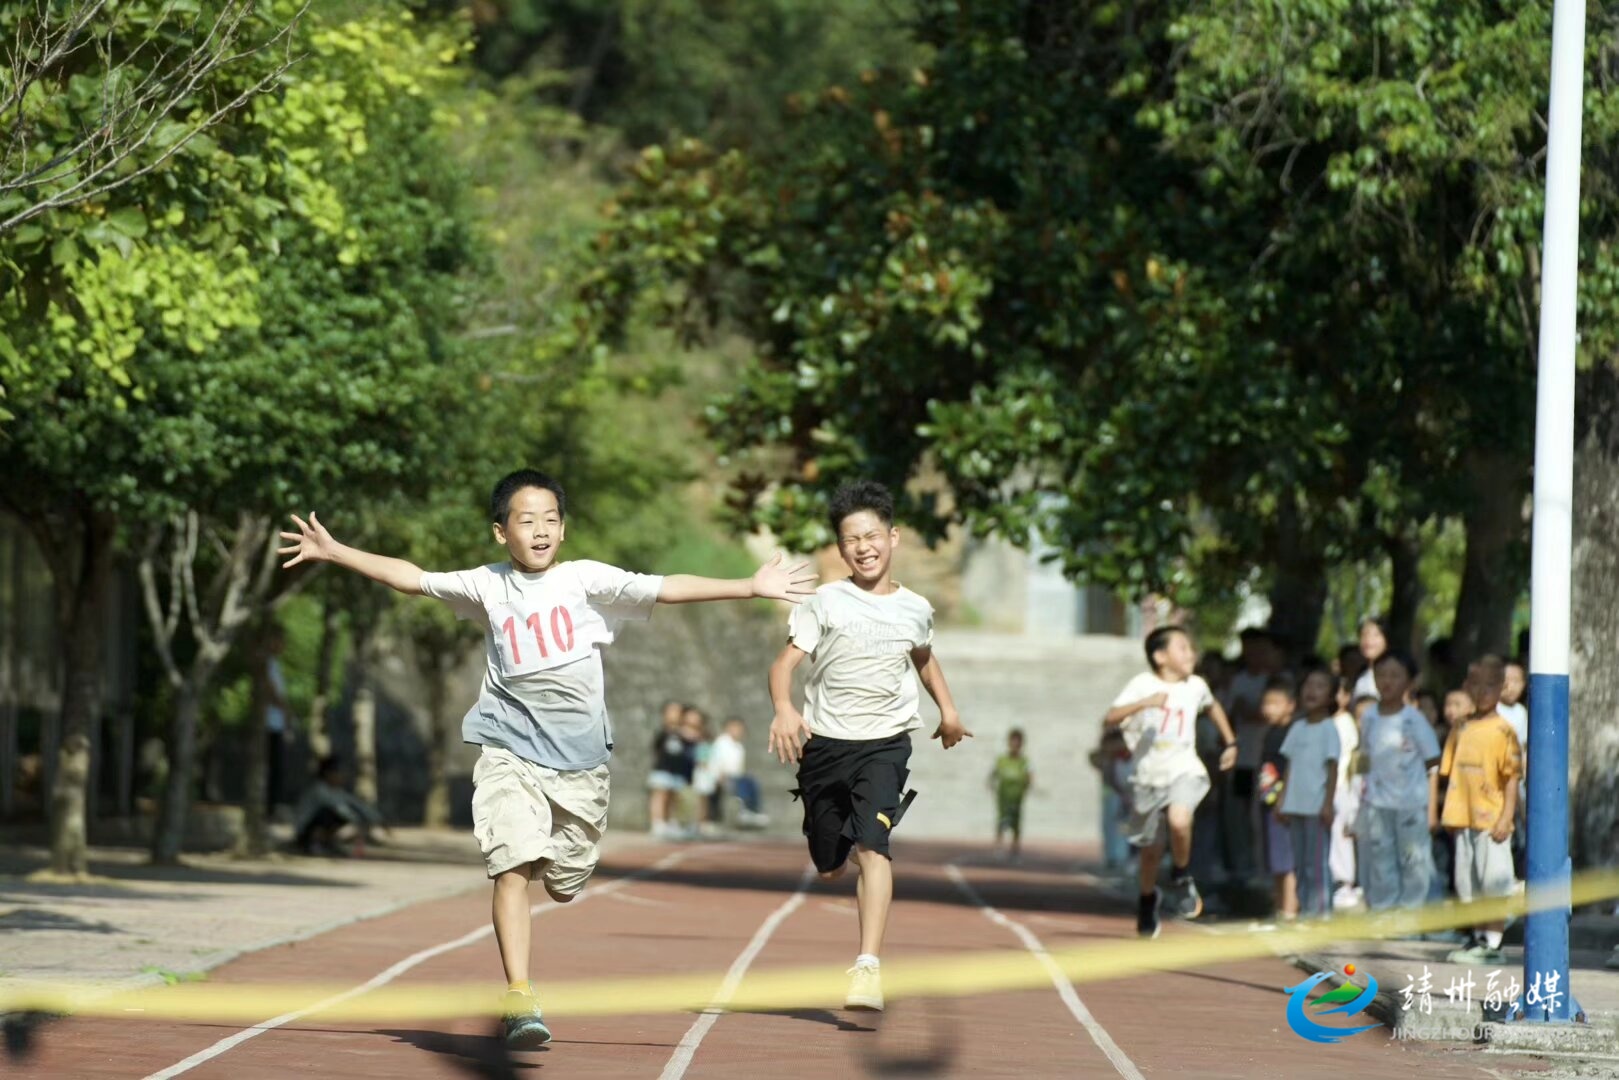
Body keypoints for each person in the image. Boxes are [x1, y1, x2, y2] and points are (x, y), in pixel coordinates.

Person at [276, 469, 815, 1048]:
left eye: (550, 520)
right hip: (508, 745)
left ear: (564, 528)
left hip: (580, 762)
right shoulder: (487, 584)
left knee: (562, 882)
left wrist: (749, 585)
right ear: (499, 532)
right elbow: (412, 579)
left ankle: (557, 880)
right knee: (511, 862)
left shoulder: (585, 579)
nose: (539, 531)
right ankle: (519, 993)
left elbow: (665, 586)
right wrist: (335, 551)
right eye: (526, 521)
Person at [766, 480, 970, 1013]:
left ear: (893, 537)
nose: (863, 546)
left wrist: (948, 710)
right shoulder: (824, 601)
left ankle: (867, 967)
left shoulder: (915, 608)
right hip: (827, 746)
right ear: (840, 549)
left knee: (873, 847)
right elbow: (783, 665)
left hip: (886, 743)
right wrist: (786, 710)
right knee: (830, 863)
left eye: (872, 535)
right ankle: (822, 832)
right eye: (851, 539)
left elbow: (924, 658)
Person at [1104, 625, 1238, 938]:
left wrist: (1230, 742)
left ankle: (1180, 874)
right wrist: (1145, 703)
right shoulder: (1142, 684)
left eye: (1191, 648)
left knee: (1180, 819)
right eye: (1182, 648)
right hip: (1149, 776)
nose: (1190, 653)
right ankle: (1148, 898)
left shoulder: (1196, 685)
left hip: (1184, 768)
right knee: (1150, 851)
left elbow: (1213, 705)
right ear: (1160, 656)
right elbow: (1110, 717)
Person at [1441, 657, 1522, 966]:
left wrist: (1506, 817)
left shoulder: (1505, 731)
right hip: (1463, 818)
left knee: (1494, 881)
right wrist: (1449, 813)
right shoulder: (1461, 726)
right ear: (1466, 686)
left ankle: (1494, 942)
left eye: (1491, 684)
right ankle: (1477, 937)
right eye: (1476, 683)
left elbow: (1512, 777)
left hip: (1491, 821)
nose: (1483, 690)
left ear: (1501, 687)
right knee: (1467, 881)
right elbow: (1451, 774)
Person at [1353, 651, 1440, 912]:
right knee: (1381, 859)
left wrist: (1432, 808)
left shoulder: (1414, 720)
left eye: (1395, 675)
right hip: (1377, 803)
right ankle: (1384, 912)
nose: (1387, 681)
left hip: (1411, 804)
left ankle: (1411, 917)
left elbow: (1433, 763)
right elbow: (1364, 756)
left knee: (1414, 860)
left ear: (1409, 682)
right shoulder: (1369, 717)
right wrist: (1360, 796)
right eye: (1381, 675)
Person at [1279, 669, 1340, 920]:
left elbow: (1332, 767)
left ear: (1331, 696)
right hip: (1295, 805)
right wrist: (1282, 799)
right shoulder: (1297, 728)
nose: (1312, 690)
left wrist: (1327, 803)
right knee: (1300, 863)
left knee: (1316, 863)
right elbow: (1289, 766)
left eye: (1320, 686)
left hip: (1316, 807)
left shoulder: (1329, 728)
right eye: (1308, 684)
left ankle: (1321, 913)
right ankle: (1306, 910)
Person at [1257, 677, 1297, 923]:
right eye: (1266, 703)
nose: (1268, 708)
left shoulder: (1290, 733)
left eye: (1275, 703)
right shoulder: (1271, 732)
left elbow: (1292, 768)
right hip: (1269, 802)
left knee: (1287, 860)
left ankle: (1290, 911)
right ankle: (1279, 908)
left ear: (1290, 705)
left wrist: (1283, 799)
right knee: (1275, 859)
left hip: (1284, 803)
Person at [293, 756, 384, 855]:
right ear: (328, 774)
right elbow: (340, 809)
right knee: (328, 814)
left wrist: (378, 820)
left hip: (319, 825)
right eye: (339, 773)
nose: (342, 776)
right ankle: (314, 843)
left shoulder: (338, 792)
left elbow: (358, 805)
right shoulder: (319, 790)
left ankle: (327, 842)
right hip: (304, 832)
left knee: (341, 816)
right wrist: (357, 822)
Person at [1328, 675, 1363, 911]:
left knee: (1342, 836)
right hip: (1325, 786)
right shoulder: (1326, 722)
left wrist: (1351, 791)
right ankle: (1335, 882)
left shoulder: (1346, 722)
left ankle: (1345, 883)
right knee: (1332, 837)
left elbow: (1351, 760)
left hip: (1342, 786)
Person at [257, 625, 295, 817]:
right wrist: (285, 710)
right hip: (268, 723)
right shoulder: (265, 662)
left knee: (277, 768)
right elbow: (269, 690)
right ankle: (267, 809)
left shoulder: (274, 663)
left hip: (276, 723)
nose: (282, 645)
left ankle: (271, 807)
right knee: (271, 768)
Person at [710, 717, 768, 828]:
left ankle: (752, 810)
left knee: (751, 781)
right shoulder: (721, 742)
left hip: (736, 776)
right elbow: (715, 762)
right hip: (723, 777)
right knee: (743, 782)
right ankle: (744, 810)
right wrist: (719, 776)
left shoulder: (739, 747)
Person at [648, 701, 694, 839]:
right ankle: (657, 823)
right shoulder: (663, 732)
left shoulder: (683, 734)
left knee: (673, 798)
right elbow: (656, 748)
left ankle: (670, 822)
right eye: (671, 711)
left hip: (677, 772)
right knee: (660, 796)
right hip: (662, 769)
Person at [991, 728, 1034, 860]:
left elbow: (1030, 776)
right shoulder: (1002, 760)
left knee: (1016, 824)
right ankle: (998, 848)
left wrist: (1027, 786)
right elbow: (993, 774)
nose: (1015, 745)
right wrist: (991, 785)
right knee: (1001, 822)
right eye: (1013, 741)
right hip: (1003, 797)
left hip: (1017, 798)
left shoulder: (1024, 761)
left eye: (1018, 742)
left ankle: (1014, 850)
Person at [1353, 618, 1389, 702]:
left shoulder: (1393, 675)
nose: (1368, 640)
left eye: (1375, 635)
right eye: (1364, 635)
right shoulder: (1361, 676)